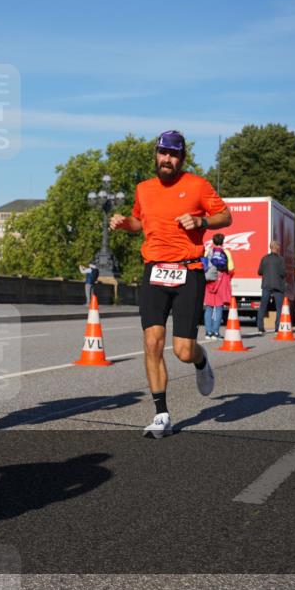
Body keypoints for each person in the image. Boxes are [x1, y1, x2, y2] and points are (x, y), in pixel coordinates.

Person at [109, 130, 230, 438]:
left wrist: (201, 222)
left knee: (183, 351)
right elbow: (139, 222)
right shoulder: (144, 188)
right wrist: (126, 224)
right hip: (154, 272)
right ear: (156, 154)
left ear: (182, 158)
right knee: (152, 343)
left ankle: (202, 361)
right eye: (163, 152)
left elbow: (225, 216)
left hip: (188, 272)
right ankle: (161, 413)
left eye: (174, 154)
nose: (167, 159)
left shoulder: (197, 185)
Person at [203, 233, 233, 340]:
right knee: (219, 307)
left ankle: (208, 332)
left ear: (213, 241)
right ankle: (216, 332)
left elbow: (204, 266)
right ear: (223, 241)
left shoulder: (208, 252)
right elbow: (231, 269)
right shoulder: (226, 252)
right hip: (221, 280)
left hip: (209, 281)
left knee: (209, 307)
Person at [257, 241, 287, 334]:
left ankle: (260, 327)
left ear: (270, 247)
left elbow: (259, 272)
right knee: (279, 308)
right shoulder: (280, 259)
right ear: (277, 247)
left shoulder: (264, 258)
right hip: (278, 285)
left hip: (266, 285)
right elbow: (283, 273)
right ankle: (277, 327)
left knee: (263, 306)